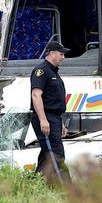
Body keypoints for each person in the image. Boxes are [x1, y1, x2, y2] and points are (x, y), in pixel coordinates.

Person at [30, 40, 72, 183]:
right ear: (51, 54)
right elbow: (36, 95)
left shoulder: (54, 72)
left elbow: (55, 102)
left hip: (53, 118)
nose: (63, 57)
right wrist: (43, 119)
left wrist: (61, 123)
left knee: (46, 157)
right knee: (56, 155)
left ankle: (33, 188)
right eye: (61, 54)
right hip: (45, 117)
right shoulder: (41, 71)